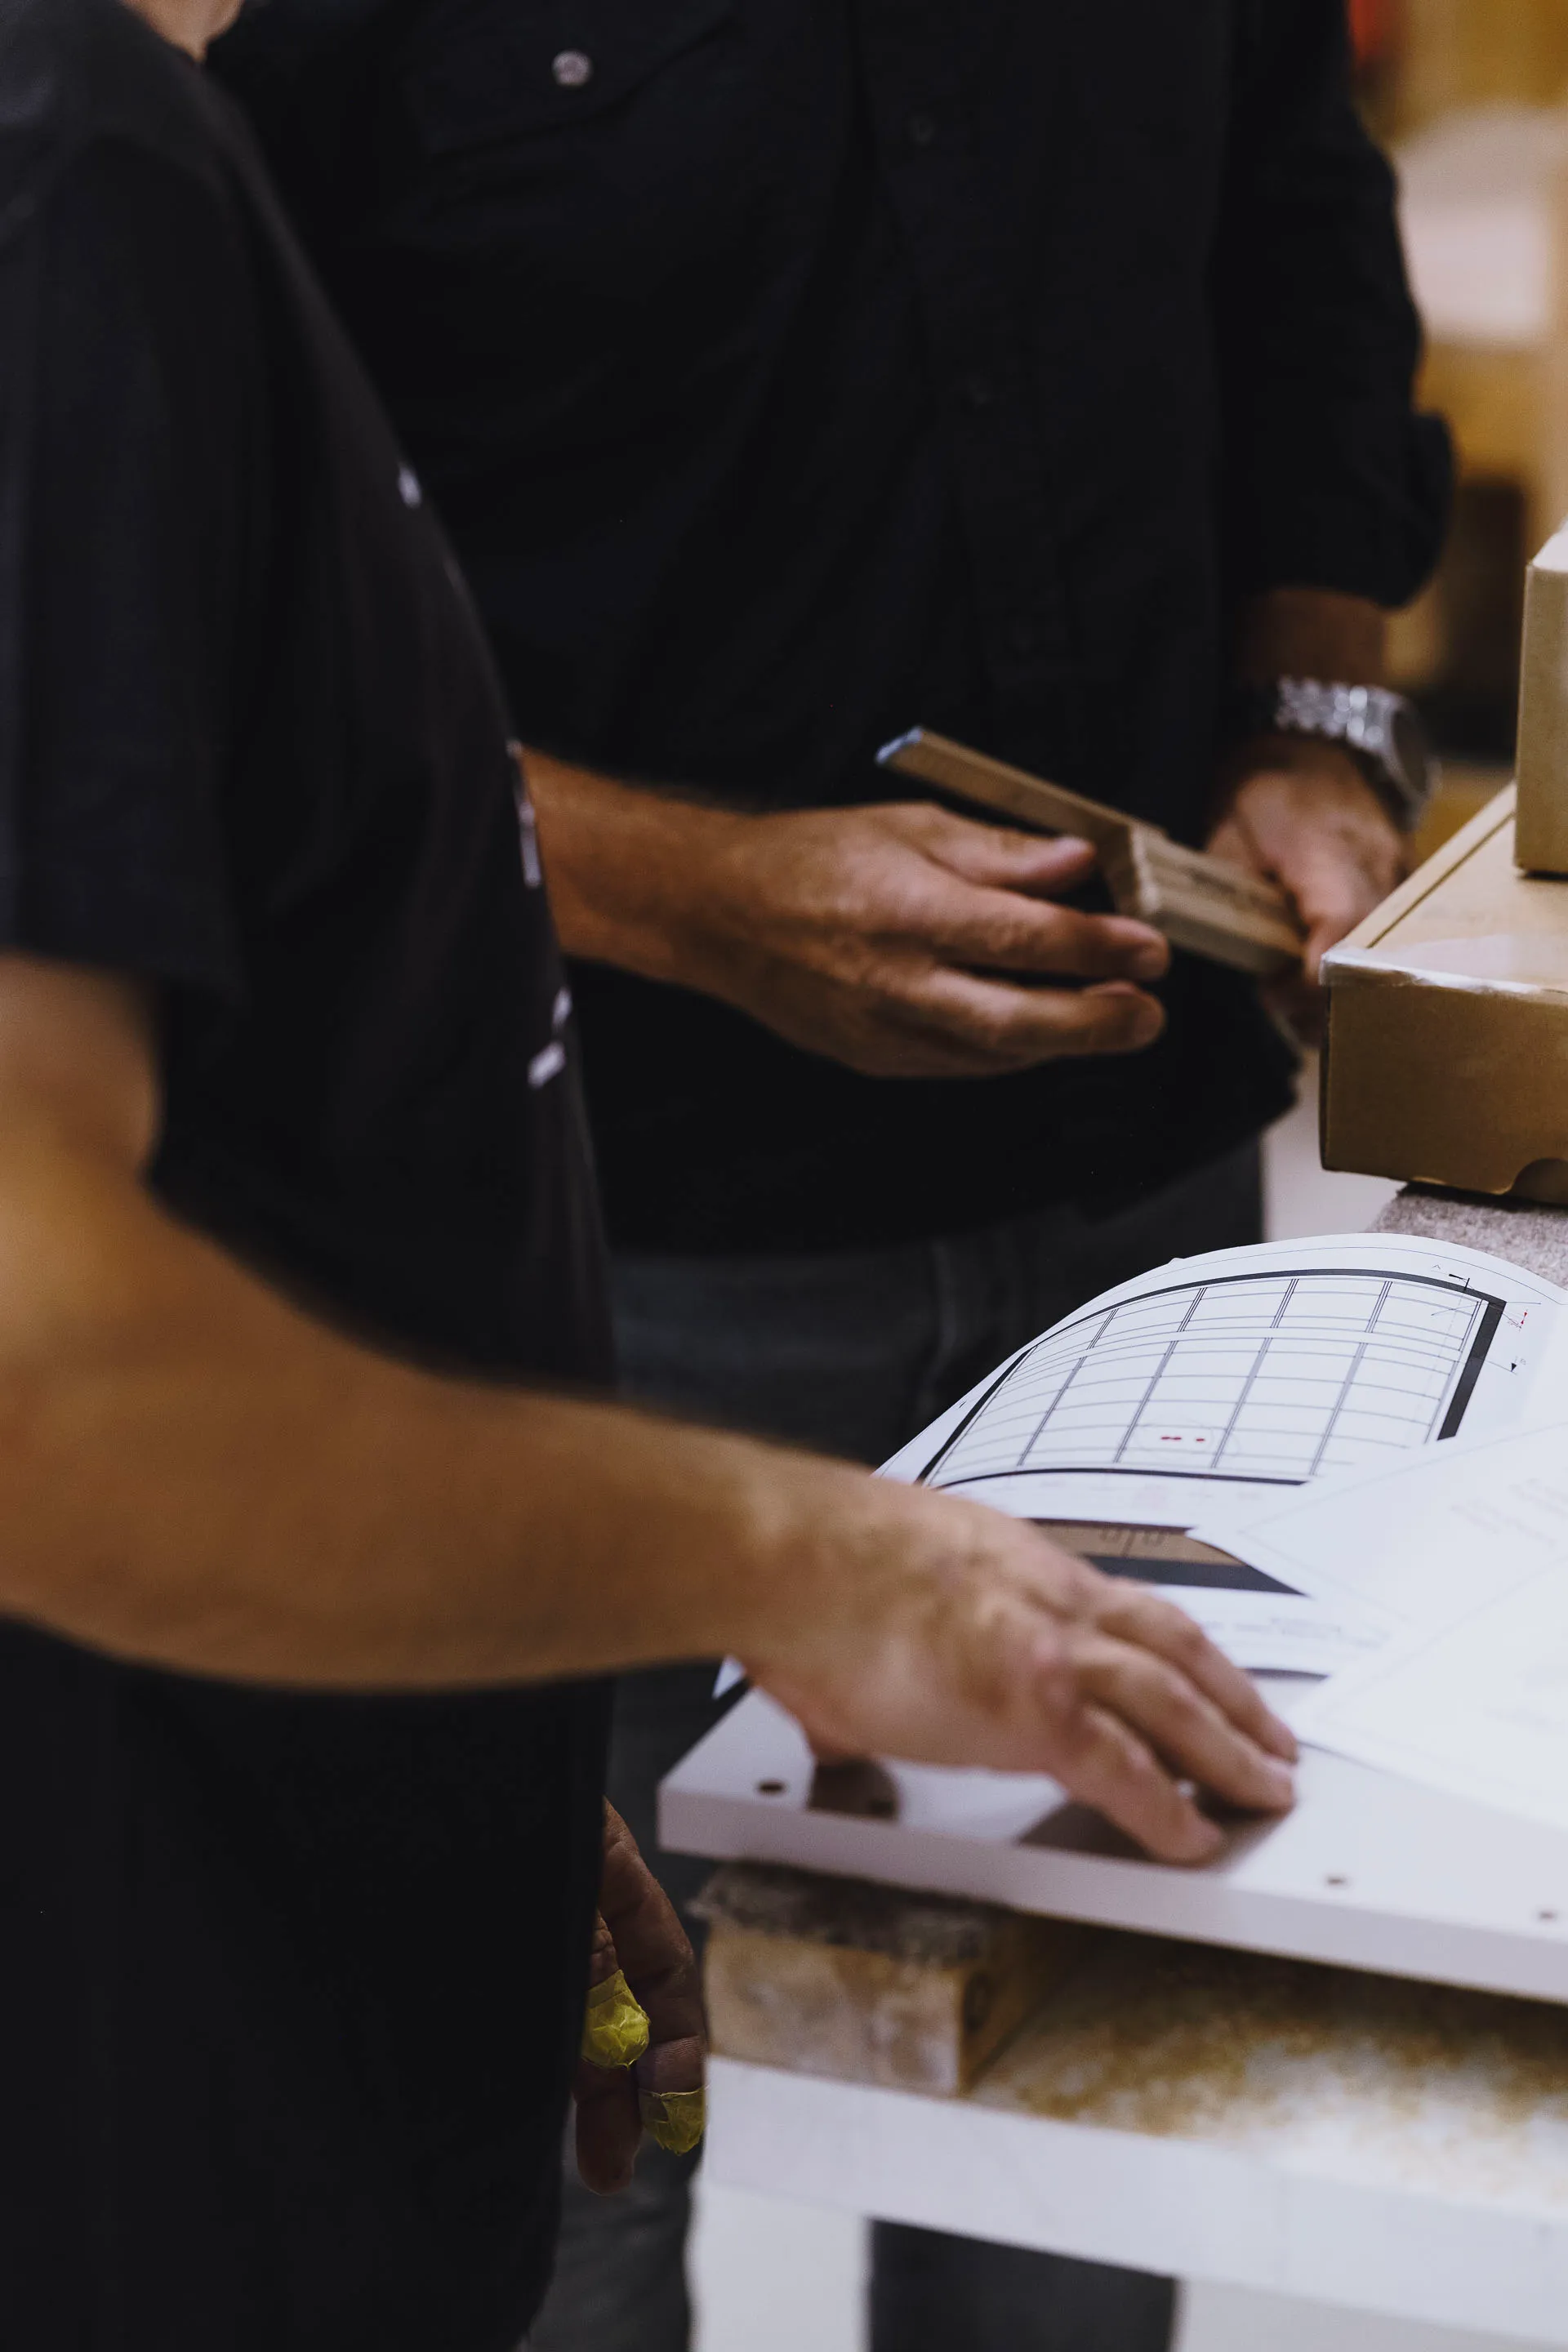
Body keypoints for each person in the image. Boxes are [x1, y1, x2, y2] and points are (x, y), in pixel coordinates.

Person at [0, 2, 1298, 2349]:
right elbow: (40, 1376)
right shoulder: (64, 179)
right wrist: (793, 1549)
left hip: (310, 1825)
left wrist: (447, 1727)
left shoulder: (122, 162)